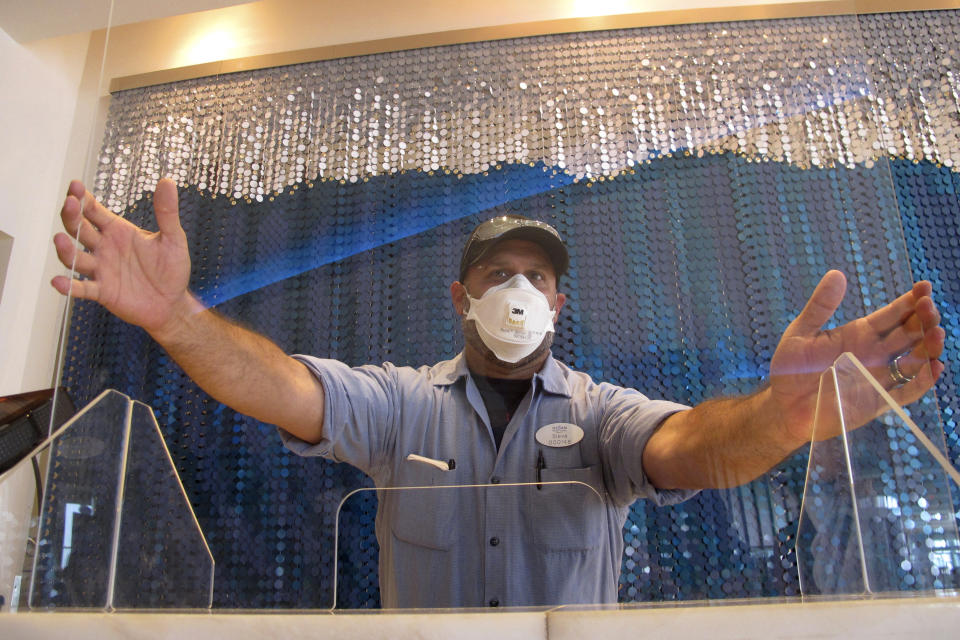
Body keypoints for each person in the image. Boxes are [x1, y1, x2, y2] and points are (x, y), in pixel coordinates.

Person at [52, 178, 945, 608]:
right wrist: (173, 316)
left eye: (536, 279)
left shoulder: (600, 413)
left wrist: (781, 417)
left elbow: (694, 451)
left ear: (558, 304)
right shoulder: (398, 403)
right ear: (463, 295)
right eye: (496, 273)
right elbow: (282, 387)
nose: (517, 291)